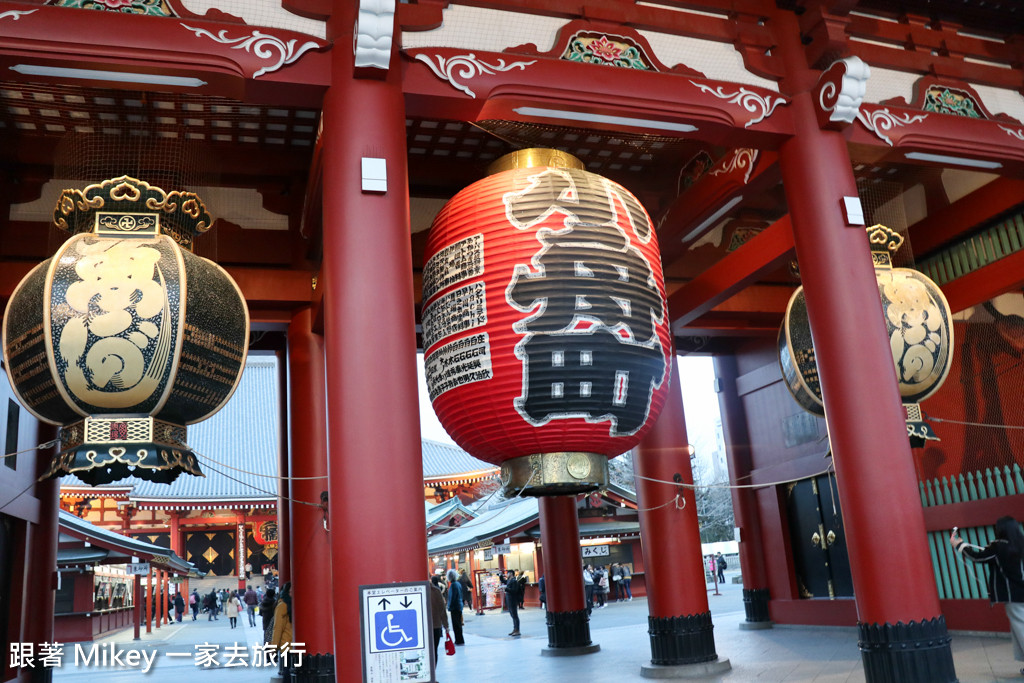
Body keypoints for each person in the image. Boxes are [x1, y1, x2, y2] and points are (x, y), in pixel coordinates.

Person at [951, 518, 1024, 673]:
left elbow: (977, 557)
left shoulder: (999, 547)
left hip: (1013, 595)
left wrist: (958, 544)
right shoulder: (1020, 544)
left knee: (1021, 628)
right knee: (1020, 628)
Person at [271, 582, 294, 677]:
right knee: (287, 672)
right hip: (287, 645)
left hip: (294, 645)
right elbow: (278, 628)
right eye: (291, 591)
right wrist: (274, 647)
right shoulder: (282, 606)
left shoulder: (296, 604)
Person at [429, 575, 450, 661]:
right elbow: (442, 610)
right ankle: (434, 669)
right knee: (434, 650)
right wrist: (446, 625)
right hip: (435, 625)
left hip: (422, 628)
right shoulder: (436, 591)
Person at [446, 569, 465, 645]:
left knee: (456, 624)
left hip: (455, 607)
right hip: (459, 605)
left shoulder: (453, 585)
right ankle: (460, 639)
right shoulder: (458, 584)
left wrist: (449, 606)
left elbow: (452, 597)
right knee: (459, 624)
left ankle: (458, 640)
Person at [504, 570, 521, 636]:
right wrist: (500, 576)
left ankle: (517, 630)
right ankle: (515, 629)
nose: (507, 575)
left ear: (511, 574)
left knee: (514, 615)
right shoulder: (509, 580)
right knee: (512, 615)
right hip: (509, 600)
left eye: (507, 573)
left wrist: (506, 589)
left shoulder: (514, 581)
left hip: (513, 600)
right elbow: (503, 581)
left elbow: (514, 591)